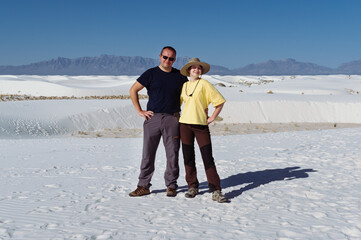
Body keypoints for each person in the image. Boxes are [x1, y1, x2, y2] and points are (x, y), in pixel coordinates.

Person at [129, 46, 188, 197]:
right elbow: (133, 90)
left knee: (172, 154)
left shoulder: (180, 76)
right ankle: (143, 185)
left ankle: (171, 185)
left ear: (175, 60)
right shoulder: (151, 73)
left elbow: (190, 95)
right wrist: (139, 111)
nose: (168, 61)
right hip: (152, 118)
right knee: (148, 154)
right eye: (165, 57)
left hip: (172, 119)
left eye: (171, 58)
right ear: (160, 56)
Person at [179, 58, 228, 203]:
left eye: (198, 68)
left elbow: (219, 101)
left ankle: (216, 190)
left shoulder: (205, 84)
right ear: (188, 71)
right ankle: (192, 186)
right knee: (188, 157)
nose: (196, 70)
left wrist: (212, 117)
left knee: (207, 157)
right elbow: (178, 104)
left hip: (200, 126)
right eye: (193, 68)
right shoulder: (184, 85)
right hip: (184, 125)